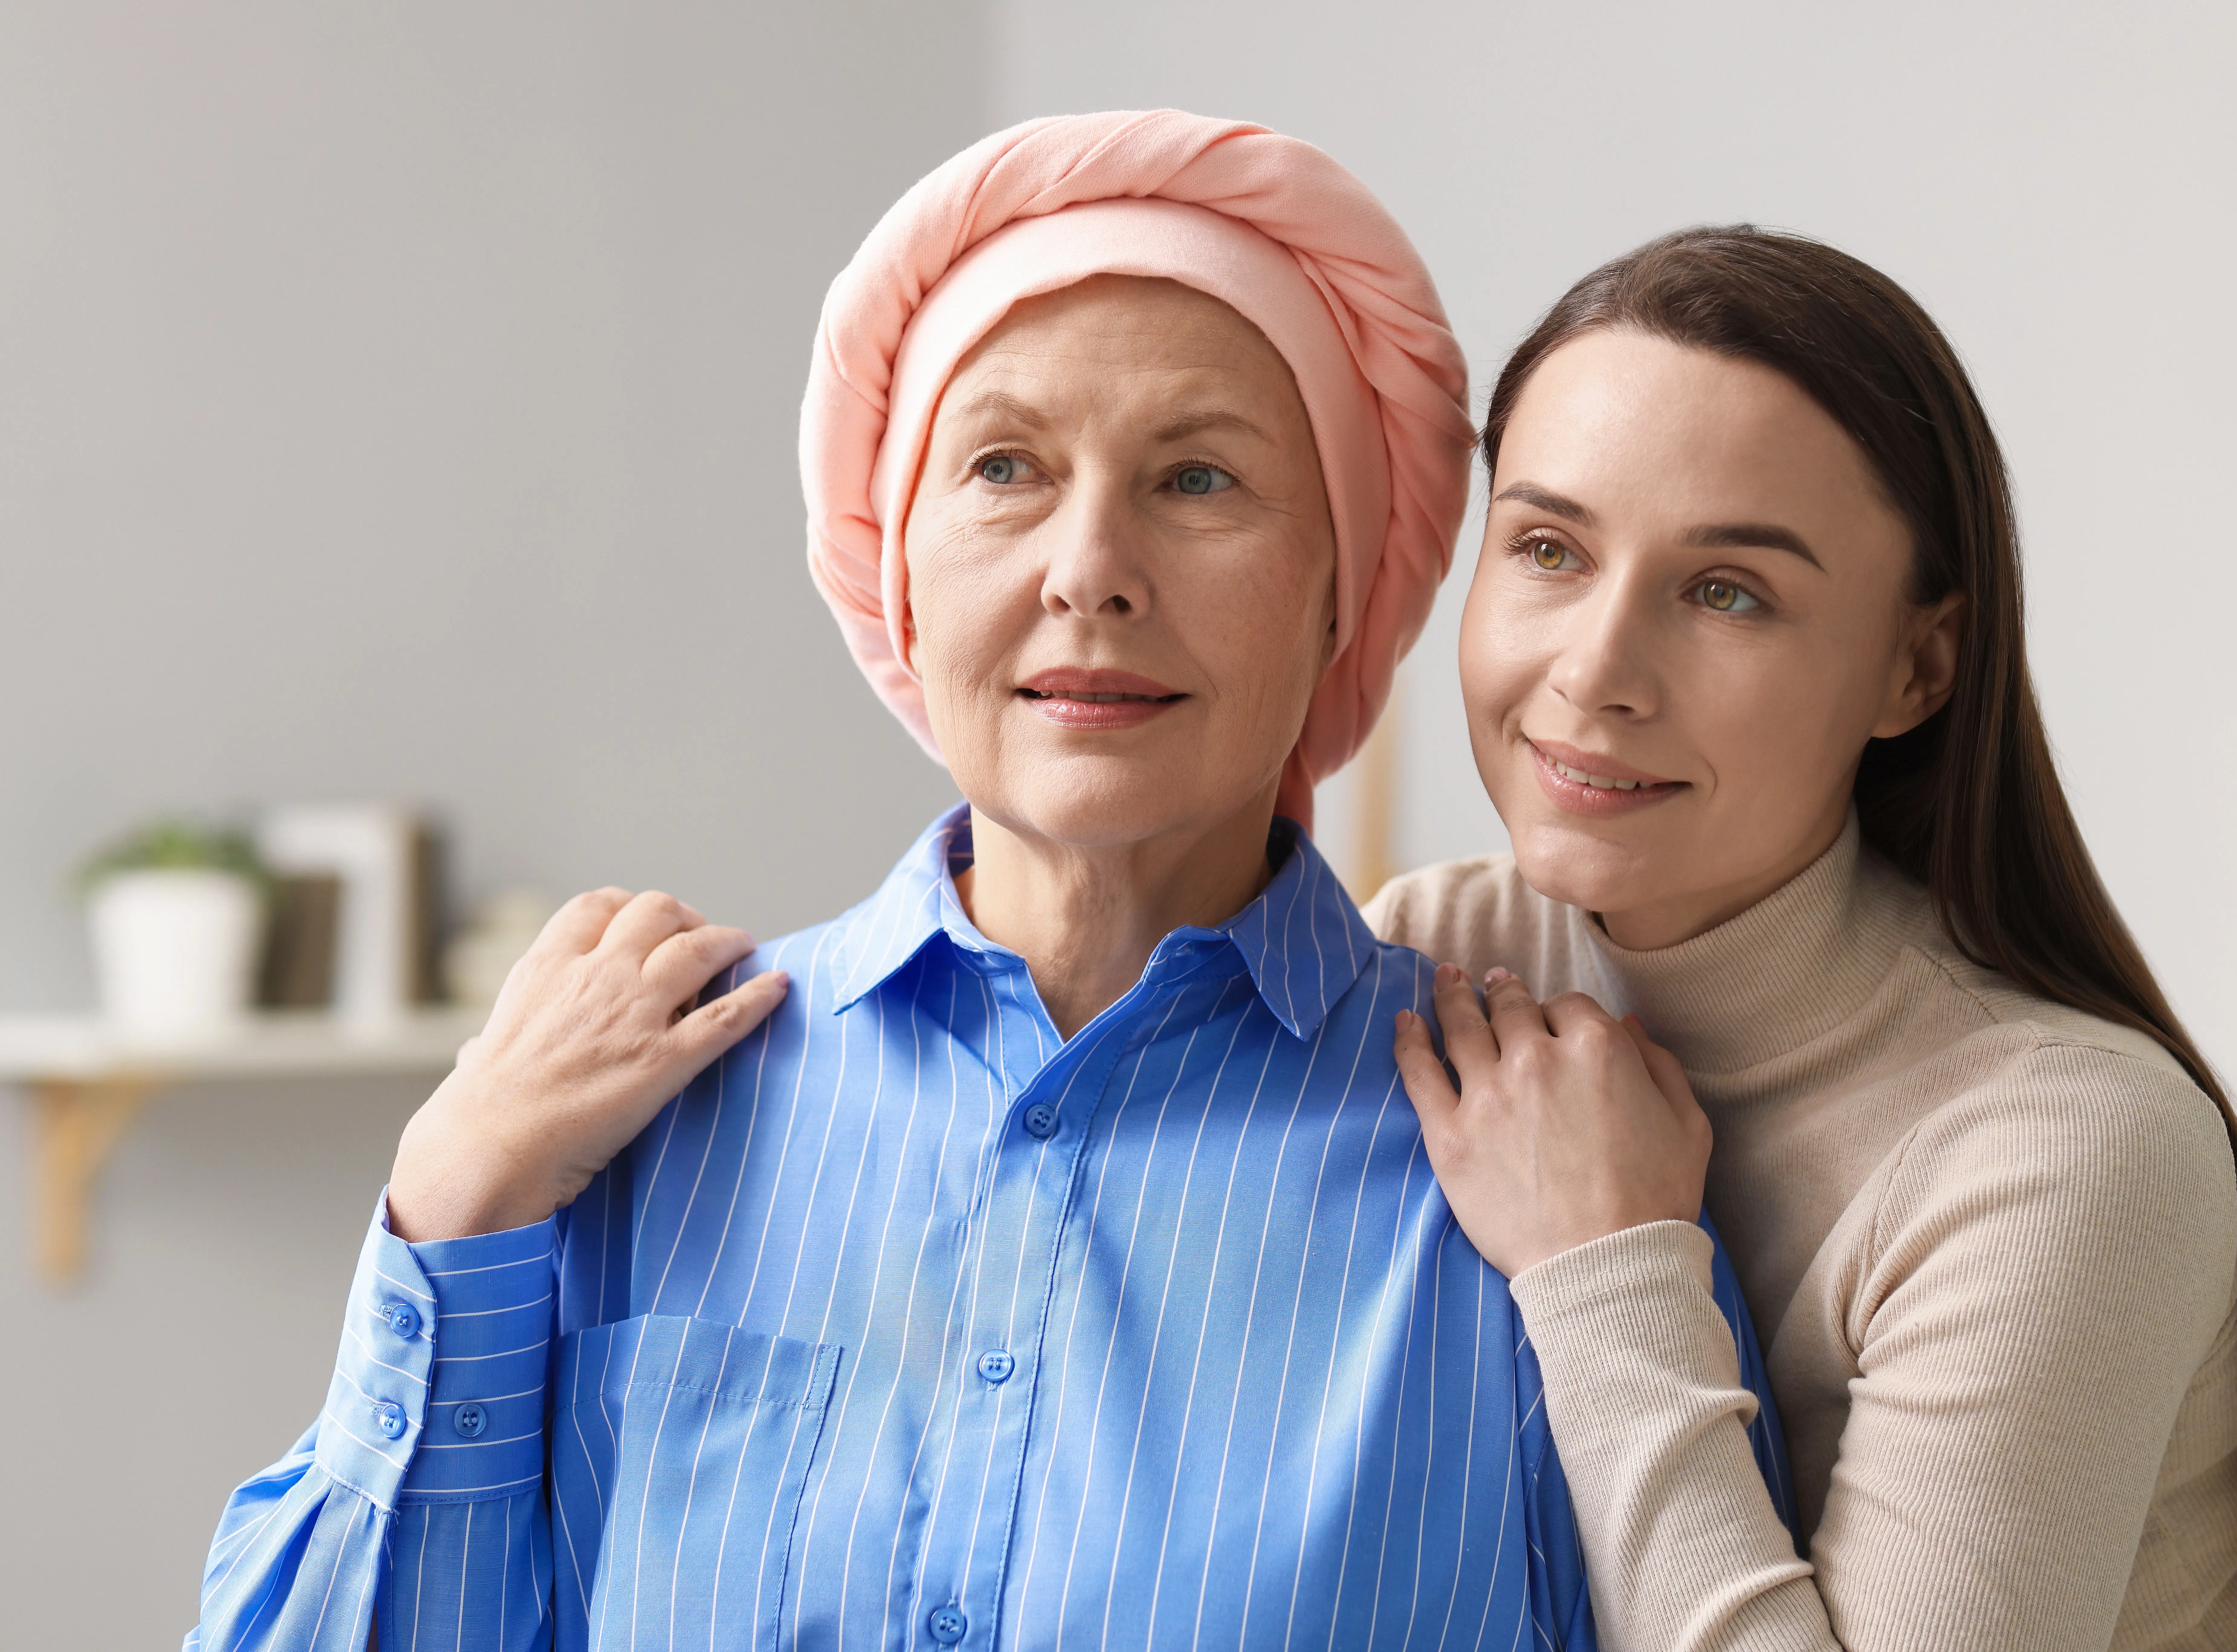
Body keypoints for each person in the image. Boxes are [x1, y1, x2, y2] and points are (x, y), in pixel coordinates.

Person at [187, 116, 1793, 1652]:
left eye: (1200, 478)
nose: (1087, 565)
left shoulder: (1543, 1173)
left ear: (1338, 593)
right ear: (898, 564)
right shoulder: (626, 1113)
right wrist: (447, 1205)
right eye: (1006, 466)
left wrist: (1621, 1275)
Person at [1375, 226, 2237, 1650]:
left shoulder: (2064, 1143)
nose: (1592, 670)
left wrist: (1609, 1258)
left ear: (1916, 664)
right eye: (1545, 548)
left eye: (1726, 591)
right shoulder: (1439, 957)